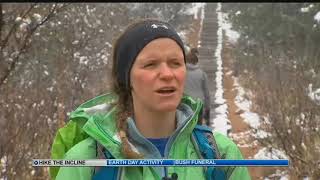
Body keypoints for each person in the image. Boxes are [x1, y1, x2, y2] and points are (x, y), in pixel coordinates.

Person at [51, 19, 250, 180]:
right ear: (126, 78)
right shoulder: (87, 163)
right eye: (151, 64)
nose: (166, 74)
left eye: (175, 63)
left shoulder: (221, 155)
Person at [184, 47, 211, 126]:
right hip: (199, 104)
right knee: (198, 127)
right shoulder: (202, 74)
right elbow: (206, 93)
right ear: (196, 62)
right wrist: (207, 110)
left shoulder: (181, 73)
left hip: (185, 103)